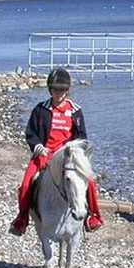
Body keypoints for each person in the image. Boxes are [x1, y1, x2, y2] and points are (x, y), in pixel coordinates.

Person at [10, 67, 102, 236]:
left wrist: (74, 151)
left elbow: (82, 137)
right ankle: (22, 220)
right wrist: (39, 147)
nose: (58, 93)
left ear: (67, 90)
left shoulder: (75, 111)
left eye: (62, 90)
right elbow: (31, 133)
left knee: (89, 182)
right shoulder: (40, 109)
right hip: (45, 154)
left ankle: (93, 216)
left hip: (67, 156)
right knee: (25, 185)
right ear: (50, 89)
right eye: (55, 89)